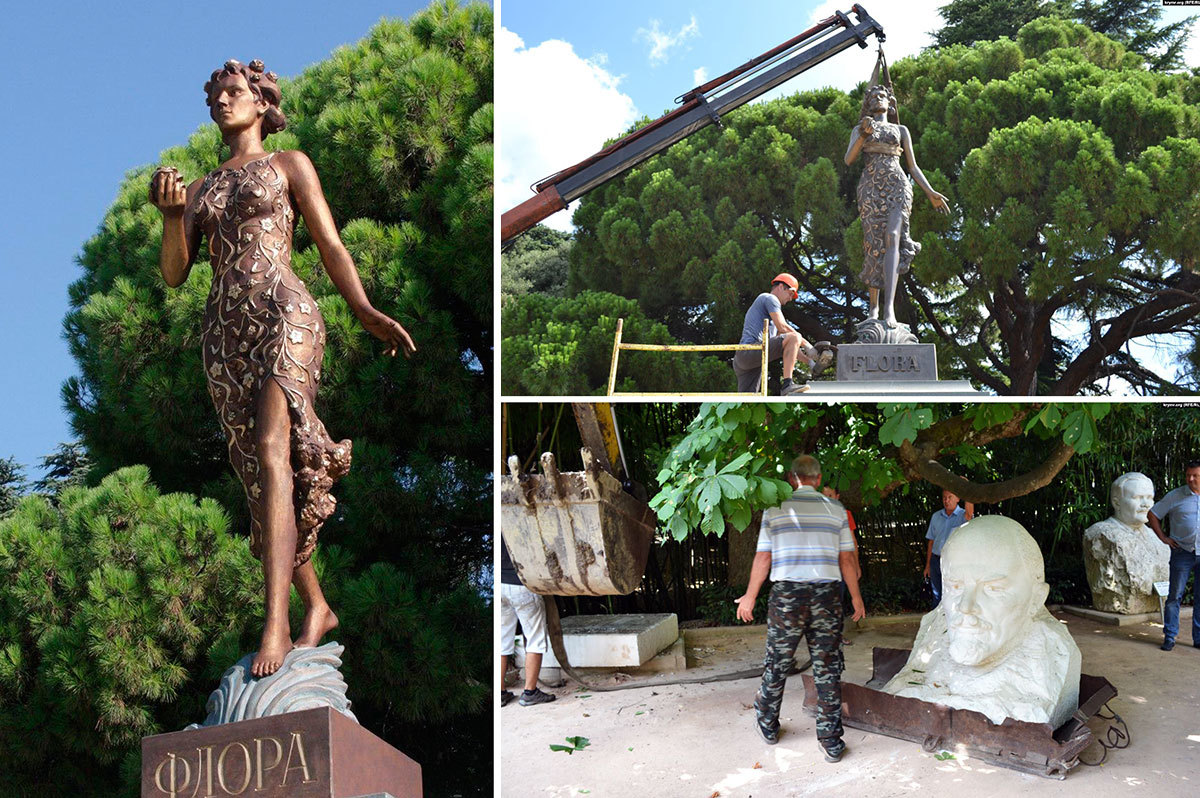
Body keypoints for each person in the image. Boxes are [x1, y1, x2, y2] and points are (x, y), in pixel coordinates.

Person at [149, 59, 416, 678]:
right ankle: (317, 606)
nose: (222, 101)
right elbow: (173, 273)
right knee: (261, 483)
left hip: (283, 313)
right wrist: (170, 217)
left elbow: (329, 243)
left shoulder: (289, 163)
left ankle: (275, 626)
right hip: (223, 335)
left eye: (234, 92)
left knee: (275, 450)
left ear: (262, 104)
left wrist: (364, 309)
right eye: (214, 94)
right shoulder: (202, 190)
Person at [884, 516, 1081, 728]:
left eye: (993, 589)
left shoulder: (1051, 663)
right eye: (955, 587)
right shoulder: (934, 644)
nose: (965, 607)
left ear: (1036, 598)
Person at [737, 455, 865, 761]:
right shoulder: (835, 510)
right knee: (828, 667)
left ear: (793, 478)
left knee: (777, 663)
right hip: (826, 597)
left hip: (787, 598)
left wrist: (750, 596)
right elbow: (847, 559)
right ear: (818, 479)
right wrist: (856, 598)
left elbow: (763, 559)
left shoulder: (775, 509)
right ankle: (831, 741)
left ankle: (768, 725)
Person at [844, 83, 950, 327]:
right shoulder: (860, 128)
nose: (878, 99)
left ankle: (889, 309)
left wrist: (930, 192)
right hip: (871, 187)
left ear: (890, 103)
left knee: (893, 236)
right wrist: (862, 134)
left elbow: (912, 166)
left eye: (883, 96)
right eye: (874, 96)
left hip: (897, 185)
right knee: (874, 244)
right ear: (868, 104)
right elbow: (849, 159)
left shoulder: (901, 129)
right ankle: (873, 309)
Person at [1082, 472, 1168, 614]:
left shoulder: (1156, 537)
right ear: (1116, 503)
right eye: (1137, 498)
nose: (1146, 504)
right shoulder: (1102, 534)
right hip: (1122, 603)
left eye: (1149, 498)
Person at [732, 274, 830, 395]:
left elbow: (789, 345)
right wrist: (807, 346)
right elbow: (786, 329)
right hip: (751, 351)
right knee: (795, 336)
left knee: (746, 402)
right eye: (790, 293)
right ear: (781, 287)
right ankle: (787, 384)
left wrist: (810, 362)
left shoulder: (771, 319)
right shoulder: (769, 298)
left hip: (747, 360)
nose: (790, 299)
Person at [1147, 460, 1200, 651]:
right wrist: (1163, 537)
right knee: (1174, 596)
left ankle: (1198, 638)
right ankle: (1170, 637)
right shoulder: (1176, 495)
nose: (1191, 479)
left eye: (1195, 475)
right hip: (1182, 552)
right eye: (1188, 475)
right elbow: (1153, 514)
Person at [499, 541, 557, 706]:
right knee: (535, 639)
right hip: (522, 584)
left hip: (500, 585)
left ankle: (500, 692)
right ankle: (530, 692)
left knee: (502, 642)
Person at [924, 489, 973, 606]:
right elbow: (931, 542)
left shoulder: (962, 515)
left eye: (950, 497)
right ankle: (937, 623)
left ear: (958, 499)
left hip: (953, 562)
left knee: (952, 595)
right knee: (937, 596)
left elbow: (970, 515)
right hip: (935, 561)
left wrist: (966, 488)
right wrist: (928, 565)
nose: (946, 500)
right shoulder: (936, 516)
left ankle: (951, 623)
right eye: (944, 498)